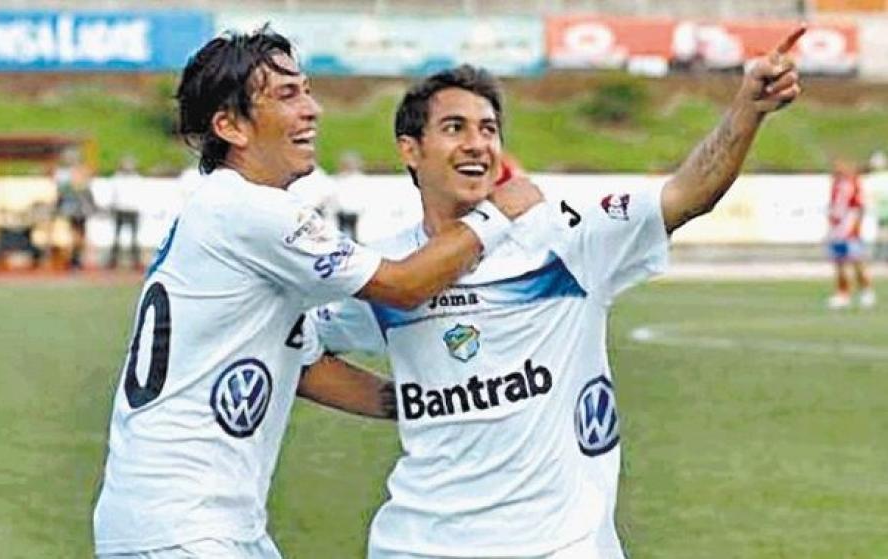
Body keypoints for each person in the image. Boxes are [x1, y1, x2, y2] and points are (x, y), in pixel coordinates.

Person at [312, 27, 806, 559]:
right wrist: (397, 401)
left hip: (557, 547)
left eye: (489, 129)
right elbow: (297, 348)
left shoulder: (565, 240)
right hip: (418, 545)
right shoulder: (387, 271)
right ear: (410, 149)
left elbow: (688, 193)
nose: (478, 144)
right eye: (455, 128)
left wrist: (747, 110)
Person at [92, 26, 542, 559]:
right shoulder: (251, 212)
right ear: (230, 125)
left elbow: (306, 365)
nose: (312, 109)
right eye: (287, 95)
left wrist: (424, 401)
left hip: (209, 522)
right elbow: (402, 285)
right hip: (181, 526)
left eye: (306, 90)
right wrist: (499, 214)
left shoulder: (231, 210)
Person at [826, 157, 876, 309]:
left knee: (856, 261)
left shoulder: (852, 183)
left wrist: (855, 227)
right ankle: (843, 293)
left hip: (849, 228)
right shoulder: (836, 184)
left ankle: (866, 291)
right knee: (839, 262)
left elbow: (858, 207)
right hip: (837, 229)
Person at [53, 147, 94, 270]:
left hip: (80, 206)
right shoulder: (64, 173)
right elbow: (63, 191)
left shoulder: (80, 171)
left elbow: (86, 189)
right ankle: (74, 259)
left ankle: (76, 258)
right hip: (72, 206)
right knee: (75, 233)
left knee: (79, 233)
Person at [106, 155, 143, 270]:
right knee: (116, 237)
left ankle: (136, 261)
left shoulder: (137, 179)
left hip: (132, 210)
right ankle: (113, 261)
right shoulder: (117, 178)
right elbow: (113, 196)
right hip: (120, 209)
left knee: (134, 238)